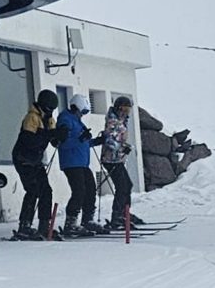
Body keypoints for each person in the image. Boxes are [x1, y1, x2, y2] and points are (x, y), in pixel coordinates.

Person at [11, 89, 68, 240]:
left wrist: (61, 136)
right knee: (33, 190)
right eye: (48, 109)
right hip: (23, 158)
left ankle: (44, 226)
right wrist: (51, 134)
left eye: (52, 110)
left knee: (46, 191)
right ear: (42, 105)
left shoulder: (49, 120)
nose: (50, 112)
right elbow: (29, 141)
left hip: (35, 160)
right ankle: (24, 225)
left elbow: (54, 141)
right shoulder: (31, 117)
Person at [56, 94, 104, 236]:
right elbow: (63, 144)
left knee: (90, 189)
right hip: (71, 162)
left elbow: (82, 143)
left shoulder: (77, 121)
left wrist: (96, 141)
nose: (83, 114)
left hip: (81, 162)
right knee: (79, 191)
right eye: (82, 111)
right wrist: (81, 139)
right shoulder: (65, 120)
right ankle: (70, 223)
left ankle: (87, 219)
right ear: (76, 107)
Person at [100, 95, 146, 228]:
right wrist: (123, 148)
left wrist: (123, 148)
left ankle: (124, 213)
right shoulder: (113, 121)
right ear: (119, 108)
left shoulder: (121, 121)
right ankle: (117, 216)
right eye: (125, 109)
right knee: (122, 187)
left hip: (117, 159)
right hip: (110, 159)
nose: (127, 112)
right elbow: (110, 141)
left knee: (127, 185)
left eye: (128, 110)